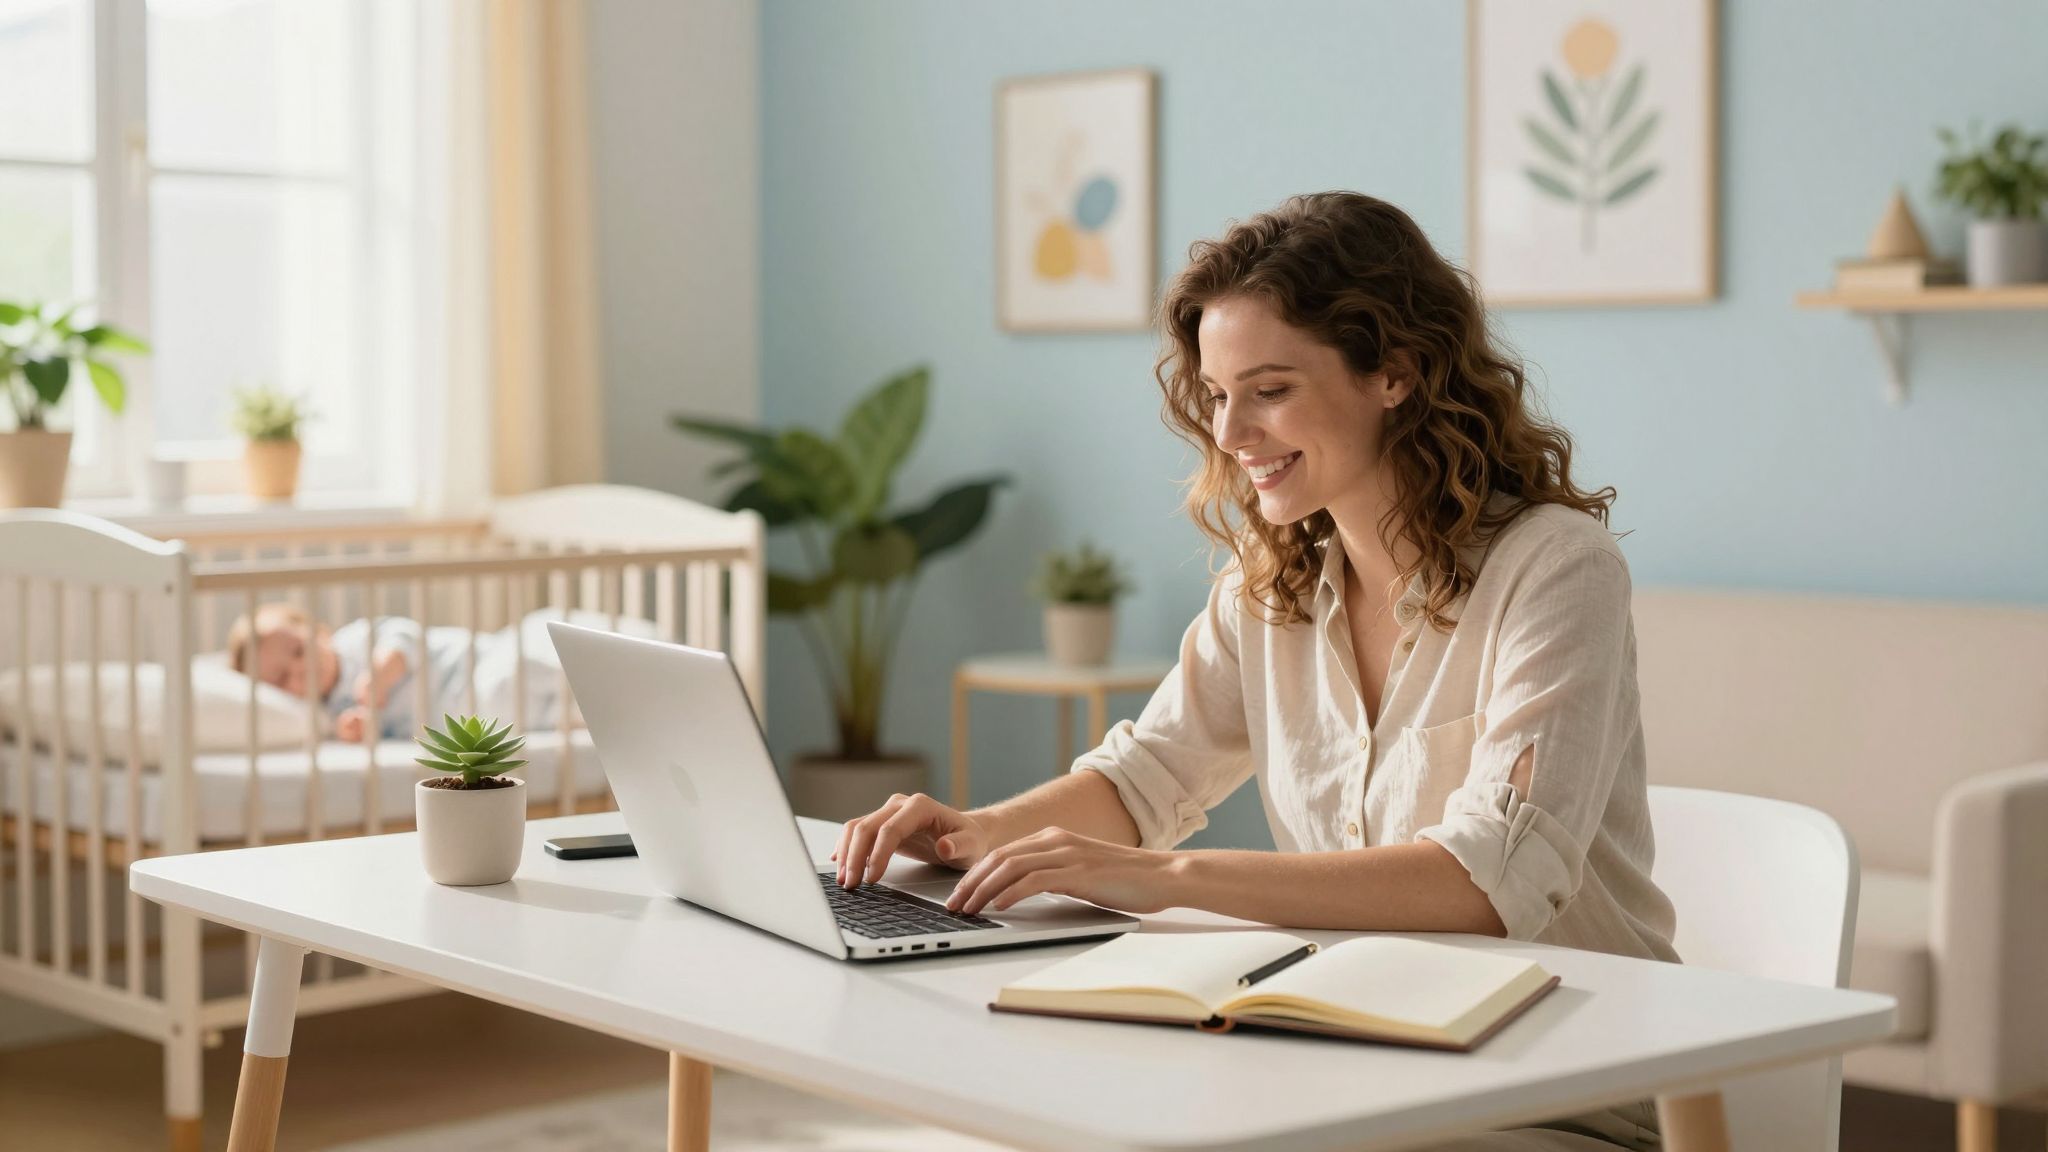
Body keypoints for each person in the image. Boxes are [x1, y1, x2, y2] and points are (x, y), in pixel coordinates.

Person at [833, 191, 1678, 1150]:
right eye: (1217, 394)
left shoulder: (1557, 570)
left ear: (1395, 372)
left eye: (1269, 390)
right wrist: (974, 833)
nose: (1231, 434)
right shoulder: (1269, 586)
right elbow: (1144, 778)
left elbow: (1487, 883)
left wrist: (1166, 877)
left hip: (1562, 1090)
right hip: (1355, 1063)